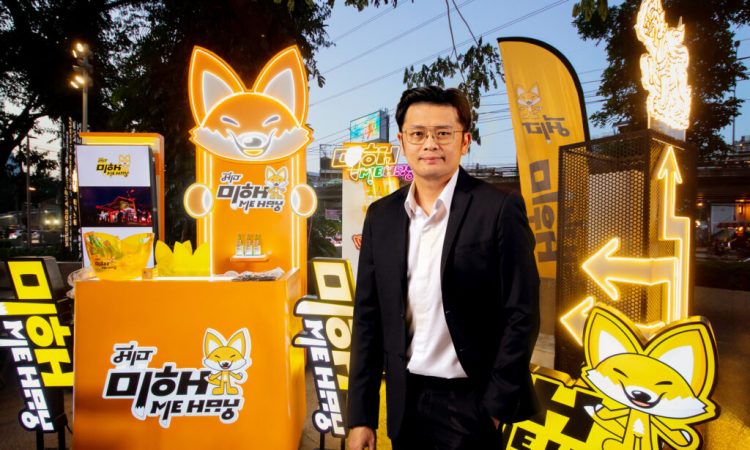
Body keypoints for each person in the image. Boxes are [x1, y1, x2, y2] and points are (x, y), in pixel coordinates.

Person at [347, 86, 540, 450]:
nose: (430, 144)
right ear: (402, 141)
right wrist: (361, 416)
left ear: (464, 141)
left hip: (471, 403)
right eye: (418, 134)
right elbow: (368, 319)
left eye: (443, 133)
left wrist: (494, 406)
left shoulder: (498, 209)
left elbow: (522, 313)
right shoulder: (381, 217)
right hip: (404, 399)